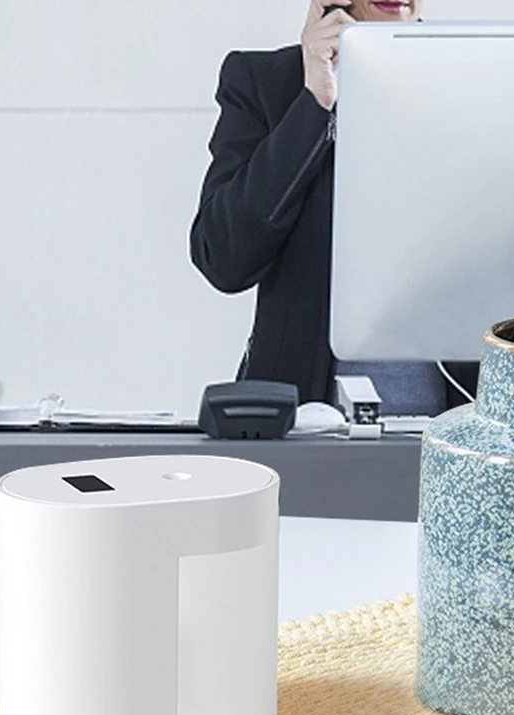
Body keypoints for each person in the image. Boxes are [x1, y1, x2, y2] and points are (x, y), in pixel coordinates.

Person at [189, 0, 479, 414]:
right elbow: (223, 258)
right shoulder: (265, 81)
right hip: (306, 420)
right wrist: (314, 103)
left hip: (457, 422)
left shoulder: (475, 79)